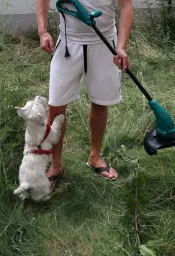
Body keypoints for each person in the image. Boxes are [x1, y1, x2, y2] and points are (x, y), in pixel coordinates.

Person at [36, 0, 133, 191]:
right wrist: (42, 31)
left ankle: (95, 157)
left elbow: (126, 6)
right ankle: (56, 165)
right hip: (67, 44)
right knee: (55, 107)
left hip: (104, 43)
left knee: (100, 101)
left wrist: (121, 47)